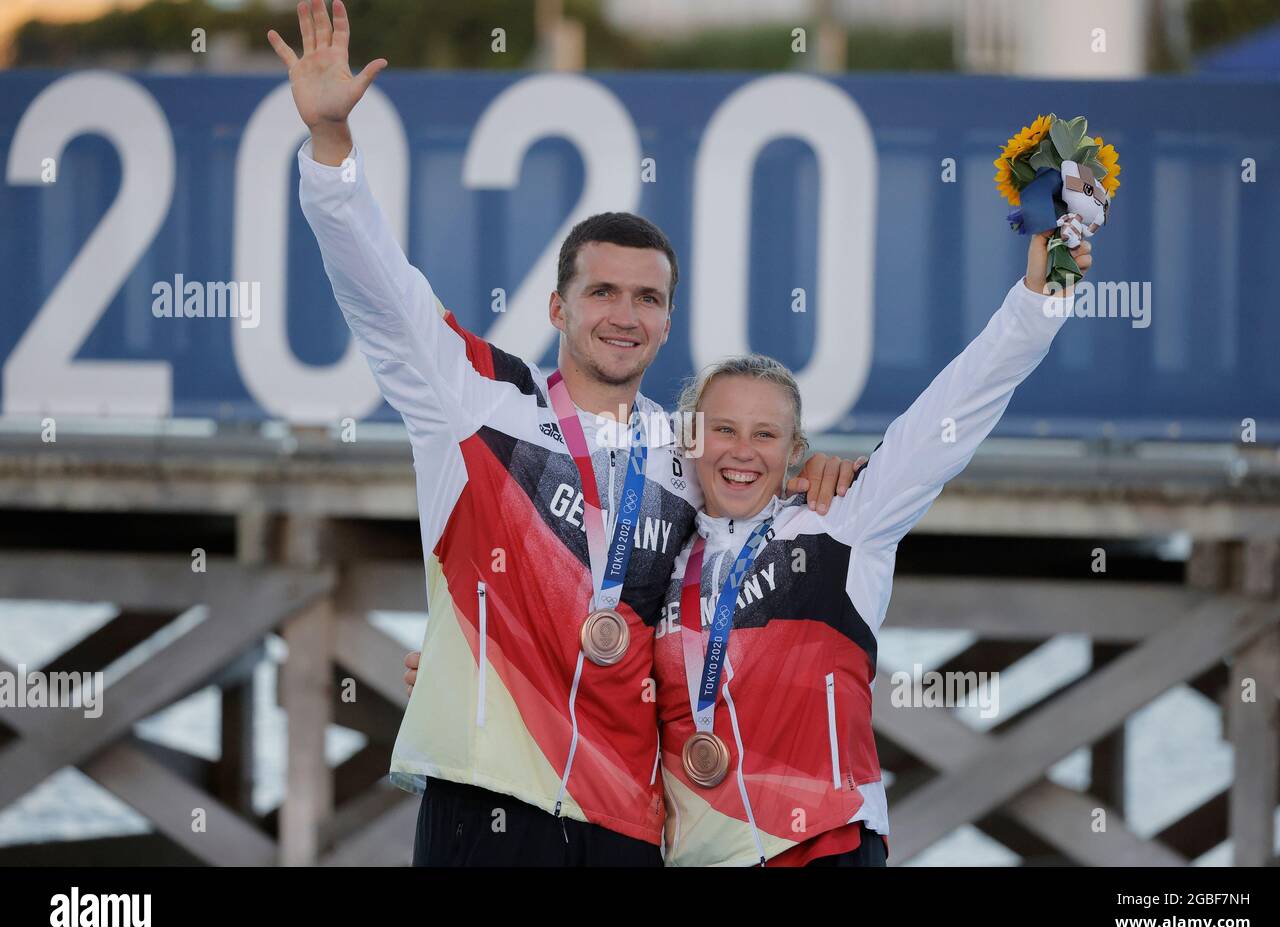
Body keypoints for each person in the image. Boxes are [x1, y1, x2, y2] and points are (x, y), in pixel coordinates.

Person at [268, 0, 857, 867]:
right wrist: (330, 148)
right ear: (558, 307)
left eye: (648, 298)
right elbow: (381, 290)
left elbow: (751, 512)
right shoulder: (476, 401)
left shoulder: (687, 447)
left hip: (624, 823)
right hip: (489, 802)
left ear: (667, 322)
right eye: (602, 293)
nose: (625, 314)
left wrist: (821, 476)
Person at [652, 234, 1092, 866]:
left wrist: (1036, 302)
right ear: (691, 438)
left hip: (824, 849)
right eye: (724, 429)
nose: (743, 452)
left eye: (766, 434)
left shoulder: (845, 524)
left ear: (794, 447)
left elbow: (954, 413)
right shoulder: (662, 561)